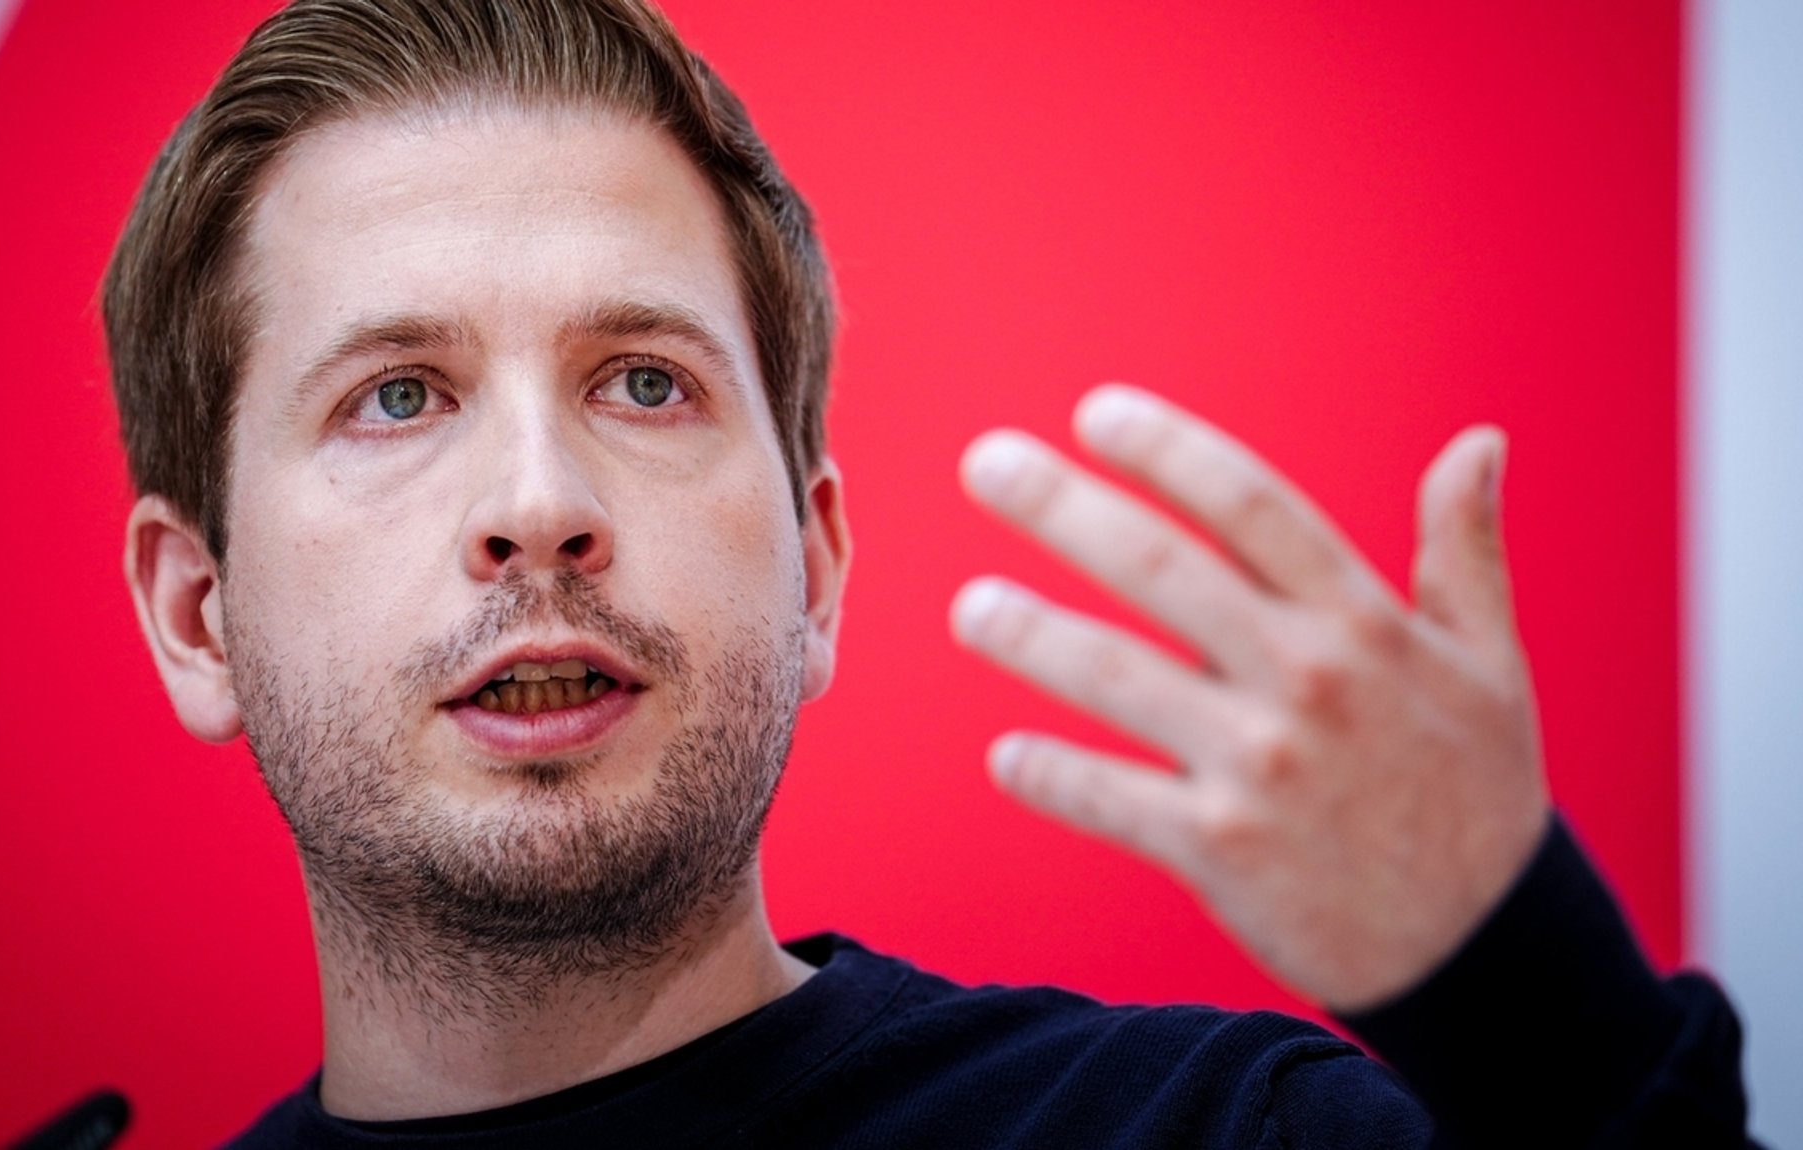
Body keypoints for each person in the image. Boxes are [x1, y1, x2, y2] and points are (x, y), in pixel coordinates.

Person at [101, 0, 1754, 1145]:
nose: (539, 504)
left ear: (816, 569)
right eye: (399, 395)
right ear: (198, 614)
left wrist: (1537, 1012)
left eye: (643, 380)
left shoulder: (1222, 1136)